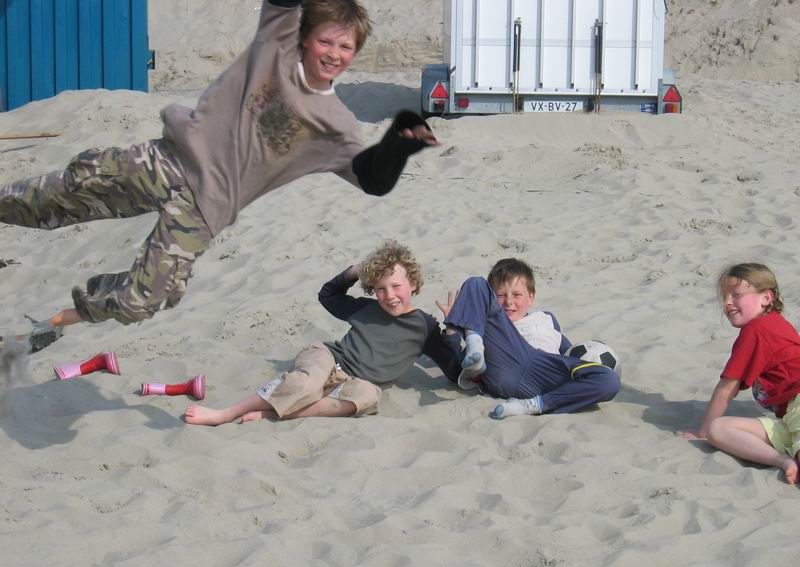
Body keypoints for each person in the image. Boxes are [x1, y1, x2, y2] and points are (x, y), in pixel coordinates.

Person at [0, 0, 438, 350]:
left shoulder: (337, 125)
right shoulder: (275, 44)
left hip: (203, 212)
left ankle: (56, 322)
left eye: (346, 48)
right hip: (167, 161)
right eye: (327, 41)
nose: (334, 54)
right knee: (59, 196)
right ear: (306, 38)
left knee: (142, 300)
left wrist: (398, 144)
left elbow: (372, 180)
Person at [184, 241, 461, 424]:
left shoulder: (424, 326)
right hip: (327, 358)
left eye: (396, 286)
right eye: (380, 288)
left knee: (369, 396)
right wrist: (354, 272)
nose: (389, 296)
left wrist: (451, 329)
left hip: (355, 381)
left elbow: (454, 371)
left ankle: (272, 413)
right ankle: (225, 413)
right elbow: (328, 296)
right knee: (306, 385)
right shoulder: (366, 308)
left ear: (413, 283)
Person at [437, 258, 620, 418]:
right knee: (475, 283)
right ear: (490, 299)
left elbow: (569, 354)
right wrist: (453, 329)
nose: (509, 301)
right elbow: (455, 371)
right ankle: (473, 340)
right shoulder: (489, 329)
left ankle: (534, 405)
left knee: (610, 380)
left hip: (544, 370)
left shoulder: (546, 319)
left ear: (531, 298)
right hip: (504, 364)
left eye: (517, 295)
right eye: (500, 295)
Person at [680, 263, 800, 484]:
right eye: (724, 297)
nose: (727, 302)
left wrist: (701, 433)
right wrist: (708, 432)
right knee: (718, 429)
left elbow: (728, 387)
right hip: (789, 421)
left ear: (766, 297)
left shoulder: (758, 329)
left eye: (736, 295)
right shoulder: (771, 324)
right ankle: (783, 460)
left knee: (710, 430)